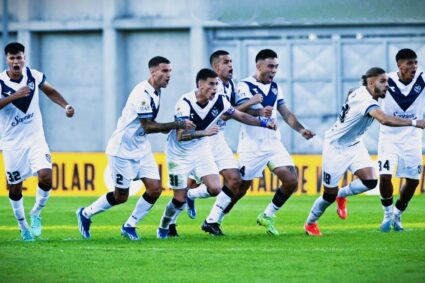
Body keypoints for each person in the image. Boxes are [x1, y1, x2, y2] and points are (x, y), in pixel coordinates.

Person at [76, 56, 195, 240]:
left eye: (170, 71)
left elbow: (150, 125)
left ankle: (129, 225)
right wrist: (176, 124)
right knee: (121, 196)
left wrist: (168, 126)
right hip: (122, 150)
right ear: (153, 72)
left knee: (155, 188)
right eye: (164, 71)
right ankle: (86, 213)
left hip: (141, 147)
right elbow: (148, 126)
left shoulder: (156, 91)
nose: (169, 75)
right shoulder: (142, 93)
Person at [304, 67, 425, 236]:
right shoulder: (366, 101)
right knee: (328, 195)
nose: (387, 86)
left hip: (355, 144)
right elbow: (383, 119)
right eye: (382, 82)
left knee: (370, 181)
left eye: (387, 82)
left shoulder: (361, 91)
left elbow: (351, 91)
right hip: (335, 147)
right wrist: (414, 122)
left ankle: (342, 195)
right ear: (370, 83)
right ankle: (310, 223)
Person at [156, 68, 276, 238]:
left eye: (216, 84)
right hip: (179, 153)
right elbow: (181, 135)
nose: (215, 88)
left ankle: (199, 205)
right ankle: (164, 227)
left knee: (215, 188)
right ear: (199, 84)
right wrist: (205, 132)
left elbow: (240, 115)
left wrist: (263, 123)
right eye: (211, 84)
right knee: (178, 199)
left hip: (201, 148)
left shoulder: (220, 100)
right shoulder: (185, 103)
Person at [229, 48, 315, 236]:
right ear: (259, 65)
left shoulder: (276, 87)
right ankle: (216, 217)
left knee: (291, 181)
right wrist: (259, 112)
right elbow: (239, 113)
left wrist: (301, 129)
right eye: (270, 66)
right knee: (240, 189)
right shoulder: (245, 85)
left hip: (274, 144)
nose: (274, 70)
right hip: (252, 146)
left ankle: (267, 215)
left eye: (276, 67)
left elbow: (285, 113)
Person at [0, 42, 75, 241]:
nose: (16, 61)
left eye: (19, 57)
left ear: (24, 58)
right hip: (11, 143)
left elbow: (50, 91)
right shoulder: (0, 82)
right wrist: (14, 96)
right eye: (12, 58)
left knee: (46, 176)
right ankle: (22, 225)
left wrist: (65, 105)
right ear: (6, 59)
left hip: (35, 138)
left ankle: (36, 213)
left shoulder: (33, 75)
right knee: (15, 188)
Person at [377, 49, 425, 232]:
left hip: (412, 138)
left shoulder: (422, 79)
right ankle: (387, 213)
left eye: (415, 63)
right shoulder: (386, 80)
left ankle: (397, 214)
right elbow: (368, 90)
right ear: (399, 65)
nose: (413, 67)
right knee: (385, 175)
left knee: (413, 181)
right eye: (409, 63)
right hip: (389, 136)